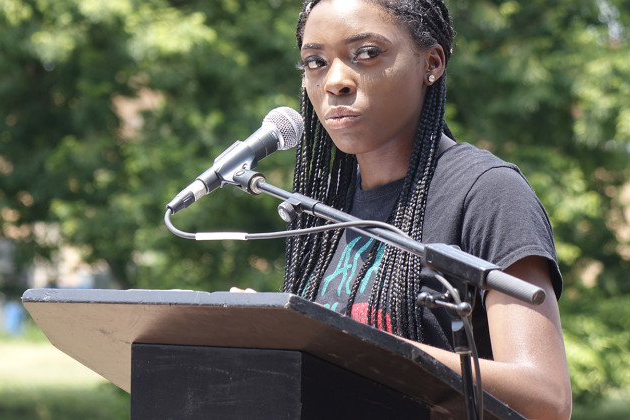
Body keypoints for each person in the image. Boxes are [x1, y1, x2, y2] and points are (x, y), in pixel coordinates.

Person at [236, 0, 571, 418]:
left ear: (431, 63)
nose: (335, 81)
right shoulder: (322, 206)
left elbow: (545, 399)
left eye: (367, 53)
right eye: (315, 61)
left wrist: (336, 341)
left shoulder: (487, 192)